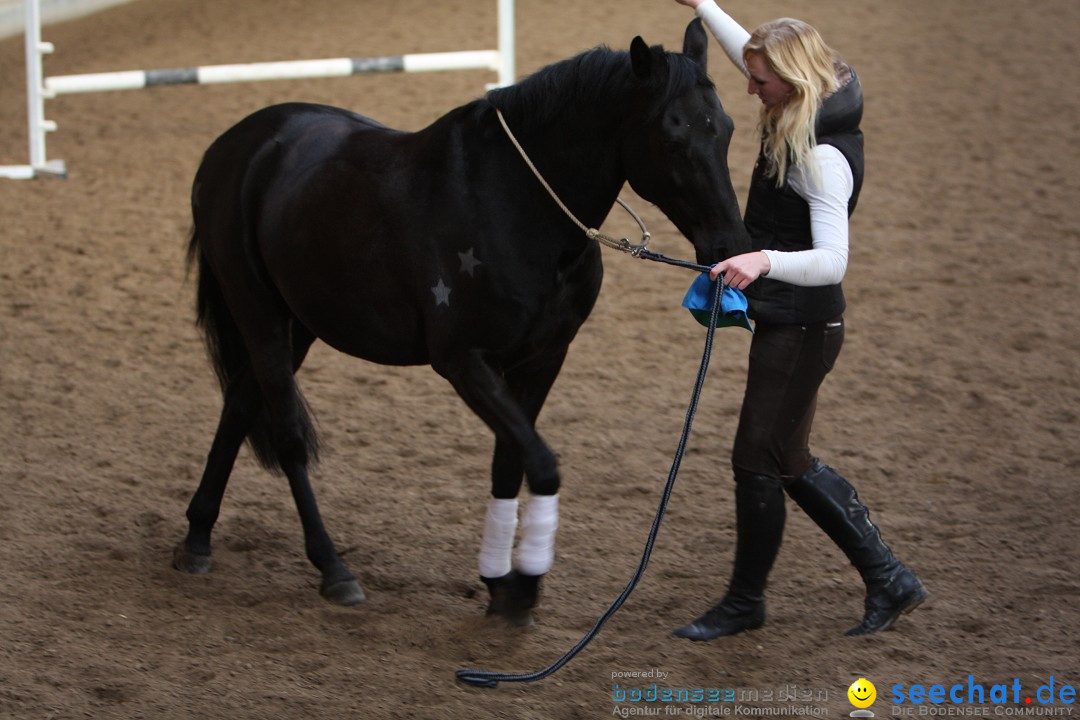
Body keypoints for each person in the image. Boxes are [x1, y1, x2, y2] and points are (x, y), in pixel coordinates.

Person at [669, 0, 928, 639]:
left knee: (760, 458)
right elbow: (748, 53)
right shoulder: (801, 102)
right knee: (784, 458)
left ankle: (746, 603)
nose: (748, 87)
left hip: (805, 327)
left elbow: (833, 262)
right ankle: (889, 579)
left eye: (760, 81)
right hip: (791, 321)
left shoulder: (820, 156)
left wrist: (760, 259)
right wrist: (704, 4)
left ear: (793, 79)